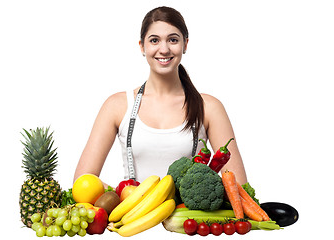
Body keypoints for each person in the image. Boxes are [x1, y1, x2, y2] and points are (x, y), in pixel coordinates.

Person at [73, 6, 247, 186]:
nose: (164, 49)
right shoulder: (117, 106)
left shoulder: (209, 107)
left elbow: (239, 186)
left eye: (173, 40)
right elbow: (83, 181)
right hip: (132, 213)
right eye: (154, 40)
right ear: (142, 46)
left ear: (185, 44)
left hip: (190, 215)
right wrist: (123, 200)